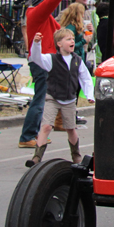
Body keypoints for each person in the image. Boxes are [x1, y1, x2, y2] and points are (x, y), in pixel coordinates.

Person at [17, 0, 86, 149]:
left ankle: (35, 133)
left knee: (45, 99)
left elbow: (60, 33)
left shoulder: (44, 18)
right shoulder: (35, 13)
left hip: (47, 61)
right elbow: (52, 1)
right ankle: (27, 136)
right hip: (41, 62)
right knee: (40, 99)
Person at [25, 29, 94, 167]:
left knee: (71, 128)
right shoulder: (51, 59)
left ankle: (76, 157)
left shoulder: (77, 60)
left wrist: (89, 95)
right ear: (59, 44)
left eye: (73, 39)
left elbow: (85, 78)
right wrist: (36, 44)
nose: (72, 41)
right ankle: (36, 158)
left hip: (69, 99)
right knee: (46, 126)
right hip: (53, 98)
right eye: (68, 39)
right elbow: (36, 58)